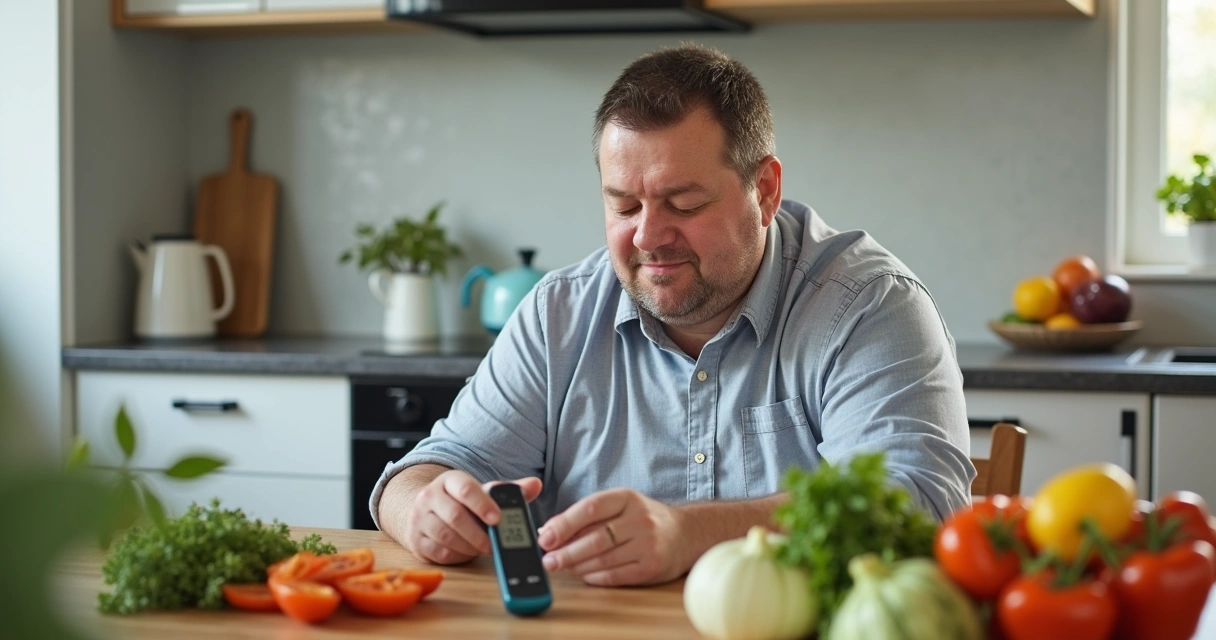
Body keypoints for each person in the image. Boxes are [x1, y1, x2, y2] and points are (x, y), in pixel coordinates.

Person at [371, 43, 973, 587]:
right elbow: (429, 470)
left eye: (682, 203)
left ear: (764, 191)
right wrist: (425, 507)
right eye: (624, 206)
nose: (648, 237)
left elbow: (916, 509)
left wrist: (690, 535)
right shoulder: (559, 312)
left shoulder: (868, 306)